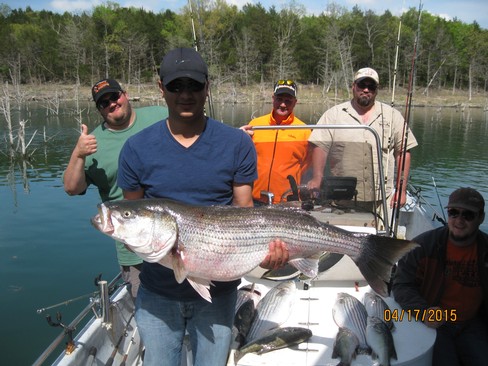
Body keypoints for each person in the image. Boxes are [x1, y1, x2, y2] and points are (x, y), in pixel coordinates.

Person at [117, 47, 289, 366]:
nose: (185, 94)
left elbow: (244, 213)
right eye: (176, 86)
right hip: (156, 295)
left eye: (194, 85)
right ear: (161, 88)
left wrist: (268, 254)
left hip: (219, 297)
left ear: (207, 87)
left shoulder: (236, 144)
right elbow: (133, 219)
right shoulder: (136, 149)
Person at [63, 78, 168, 299]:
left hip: (180, 238)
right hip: (136, 252)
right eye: (104, 103)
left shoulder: (160, 115)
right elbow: (72, 188)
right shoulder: (93, 143)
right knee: (153, 321)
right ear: (99, 109)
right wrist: (78, 153)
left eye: (115, 96)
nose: (111, 103)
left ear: (125, 94)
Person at [393, 187, 488, 366]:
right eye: (453, 213)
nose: (459, 220)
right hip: (437, 323)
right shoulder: (422, 246)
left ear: (480, 218)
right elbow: (402, 285)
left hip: (472, 323)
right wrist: (424, 311)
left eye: (468, 215)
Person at [307, 67, 418, 215]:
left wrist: (402, 190)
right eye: (361, 85)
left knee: (380, 237)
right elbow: (320, 146)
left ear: (376, 90)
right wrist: (316, 178)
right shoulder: (333, 115)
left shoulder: (393, 116)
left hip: (381, 198)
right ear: (354, 86)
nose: (366, 90)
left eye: (371, 86)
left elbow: (403, 152)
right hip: (342, 197)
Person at [241, 80, 311, 204]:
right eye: (279, 99)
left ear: (295, 102)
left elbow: (307, 167)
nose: (283, 104)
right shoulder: (255, 125)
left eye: (288, 100)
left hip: (287, 201)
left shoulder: (304, 130)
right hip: (254, 199)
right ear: (273, 99)